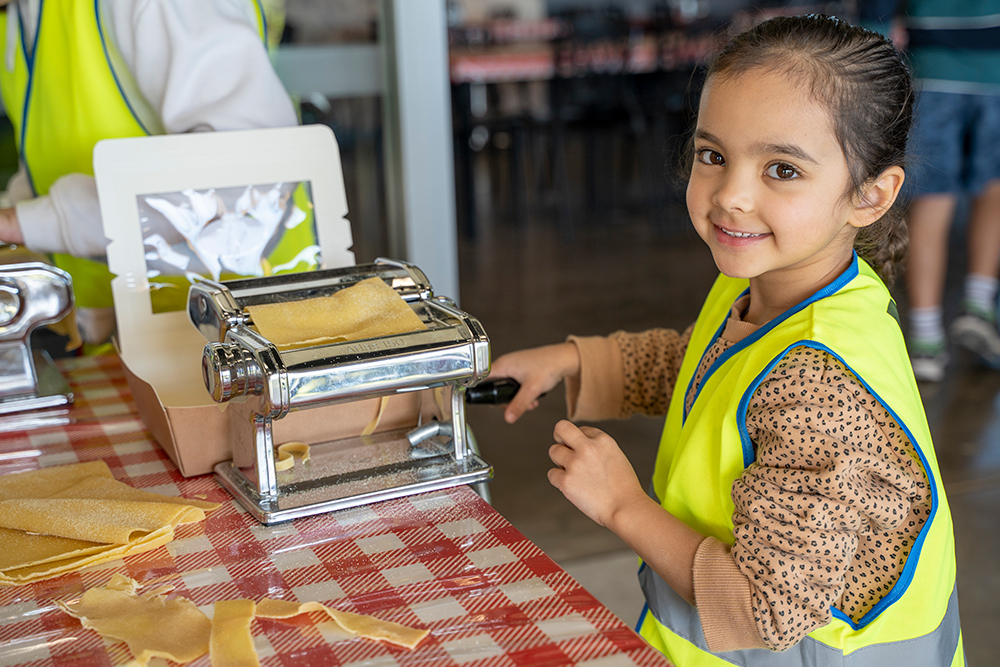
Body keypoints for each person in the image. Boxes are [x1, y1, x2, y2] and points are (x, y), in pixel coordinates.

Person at [489, 15, 964, 666]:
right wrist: (575, 360)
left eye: (782, 170)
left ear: (871, 195)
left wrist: (625, 505)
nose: (731, 196)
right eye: (714, 155)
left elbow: (767, 610)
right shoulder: (771, 283)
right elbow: (703, 364)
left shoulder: (820, 381)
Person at [0, 0, 301, 346]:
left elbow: (248, 168)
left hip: (258, 330)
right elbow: (48, 157)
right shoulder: (20, 14)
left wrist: (28, 223)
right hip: (136, 336)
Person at [860, 1, 1000, 382]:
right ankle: (979, 301)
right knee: (994, 188)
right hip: (995, 68)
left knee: (932, 197)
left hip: (931, 68)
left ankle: (925, 340)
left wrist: (871, 34)